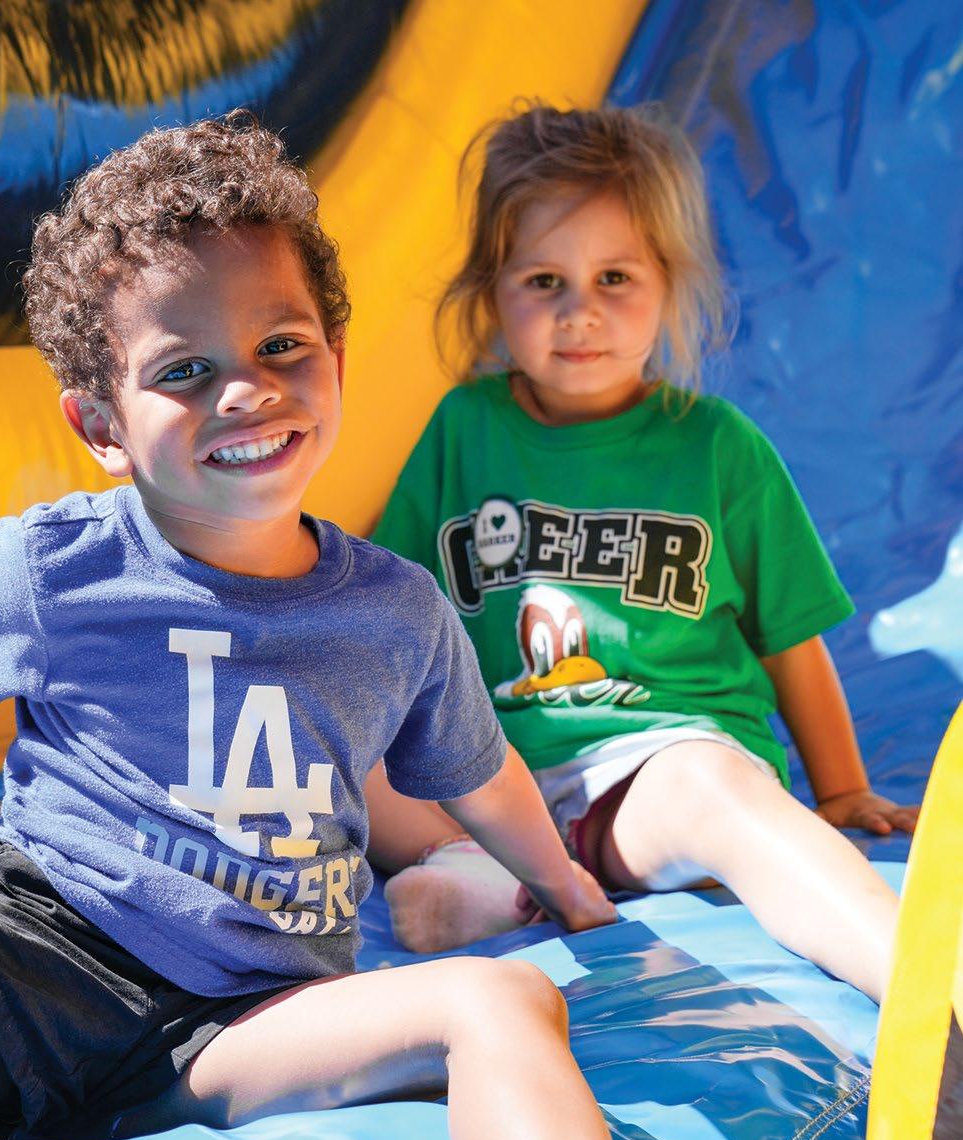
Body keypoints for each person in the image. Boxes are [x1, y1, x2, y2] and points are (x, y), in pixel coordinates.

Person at [0, 112, 633, 1140]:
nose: (245, 391)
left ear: (336, 358)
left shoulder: (395, 611)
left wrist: (566, 887)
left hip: (252, 1016)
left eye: (281, 346)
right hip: (38, 954)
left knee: (500, 1002)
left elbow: (478, 772)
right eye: (184, 370)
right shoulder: (50, 570)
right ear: (100, 426)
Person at [368, 103, 919, 1003]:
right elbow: (388, 615)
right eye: (543, 280)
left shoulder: (715, 446)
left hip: (649, 770)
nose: (578, 312)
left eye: (614, 277)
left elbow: (791, 640)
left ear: (669, 283)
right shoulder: (463, 429)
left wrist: (843, 790)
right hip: (491, 785)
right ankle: (478, 867)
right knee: (337, 730)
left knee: (712, 787)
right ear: (492, 292)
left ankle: (922, 994)